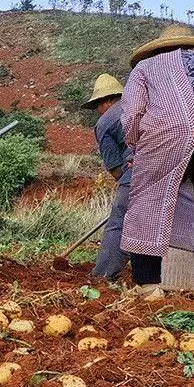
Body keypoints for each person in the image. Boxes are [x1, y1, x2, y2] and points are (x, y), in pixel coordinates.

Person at [121, 25, 194, 293]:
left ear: (158, 48)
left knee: (146, 201)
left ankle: (148, 286)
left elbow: (132, 114)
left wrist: (137, 148)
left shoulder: (145, 67)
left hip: (166, 134)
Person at [81, 74, 132, 281]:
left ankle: (104, 274)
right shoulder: (140, 106)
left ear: (107, 100)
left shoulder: (105, 123)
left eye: (97, 106)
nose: (98, 111)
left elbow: (116, 169)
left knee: (119, 221)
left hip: (135, 171)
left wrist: (124, 186)